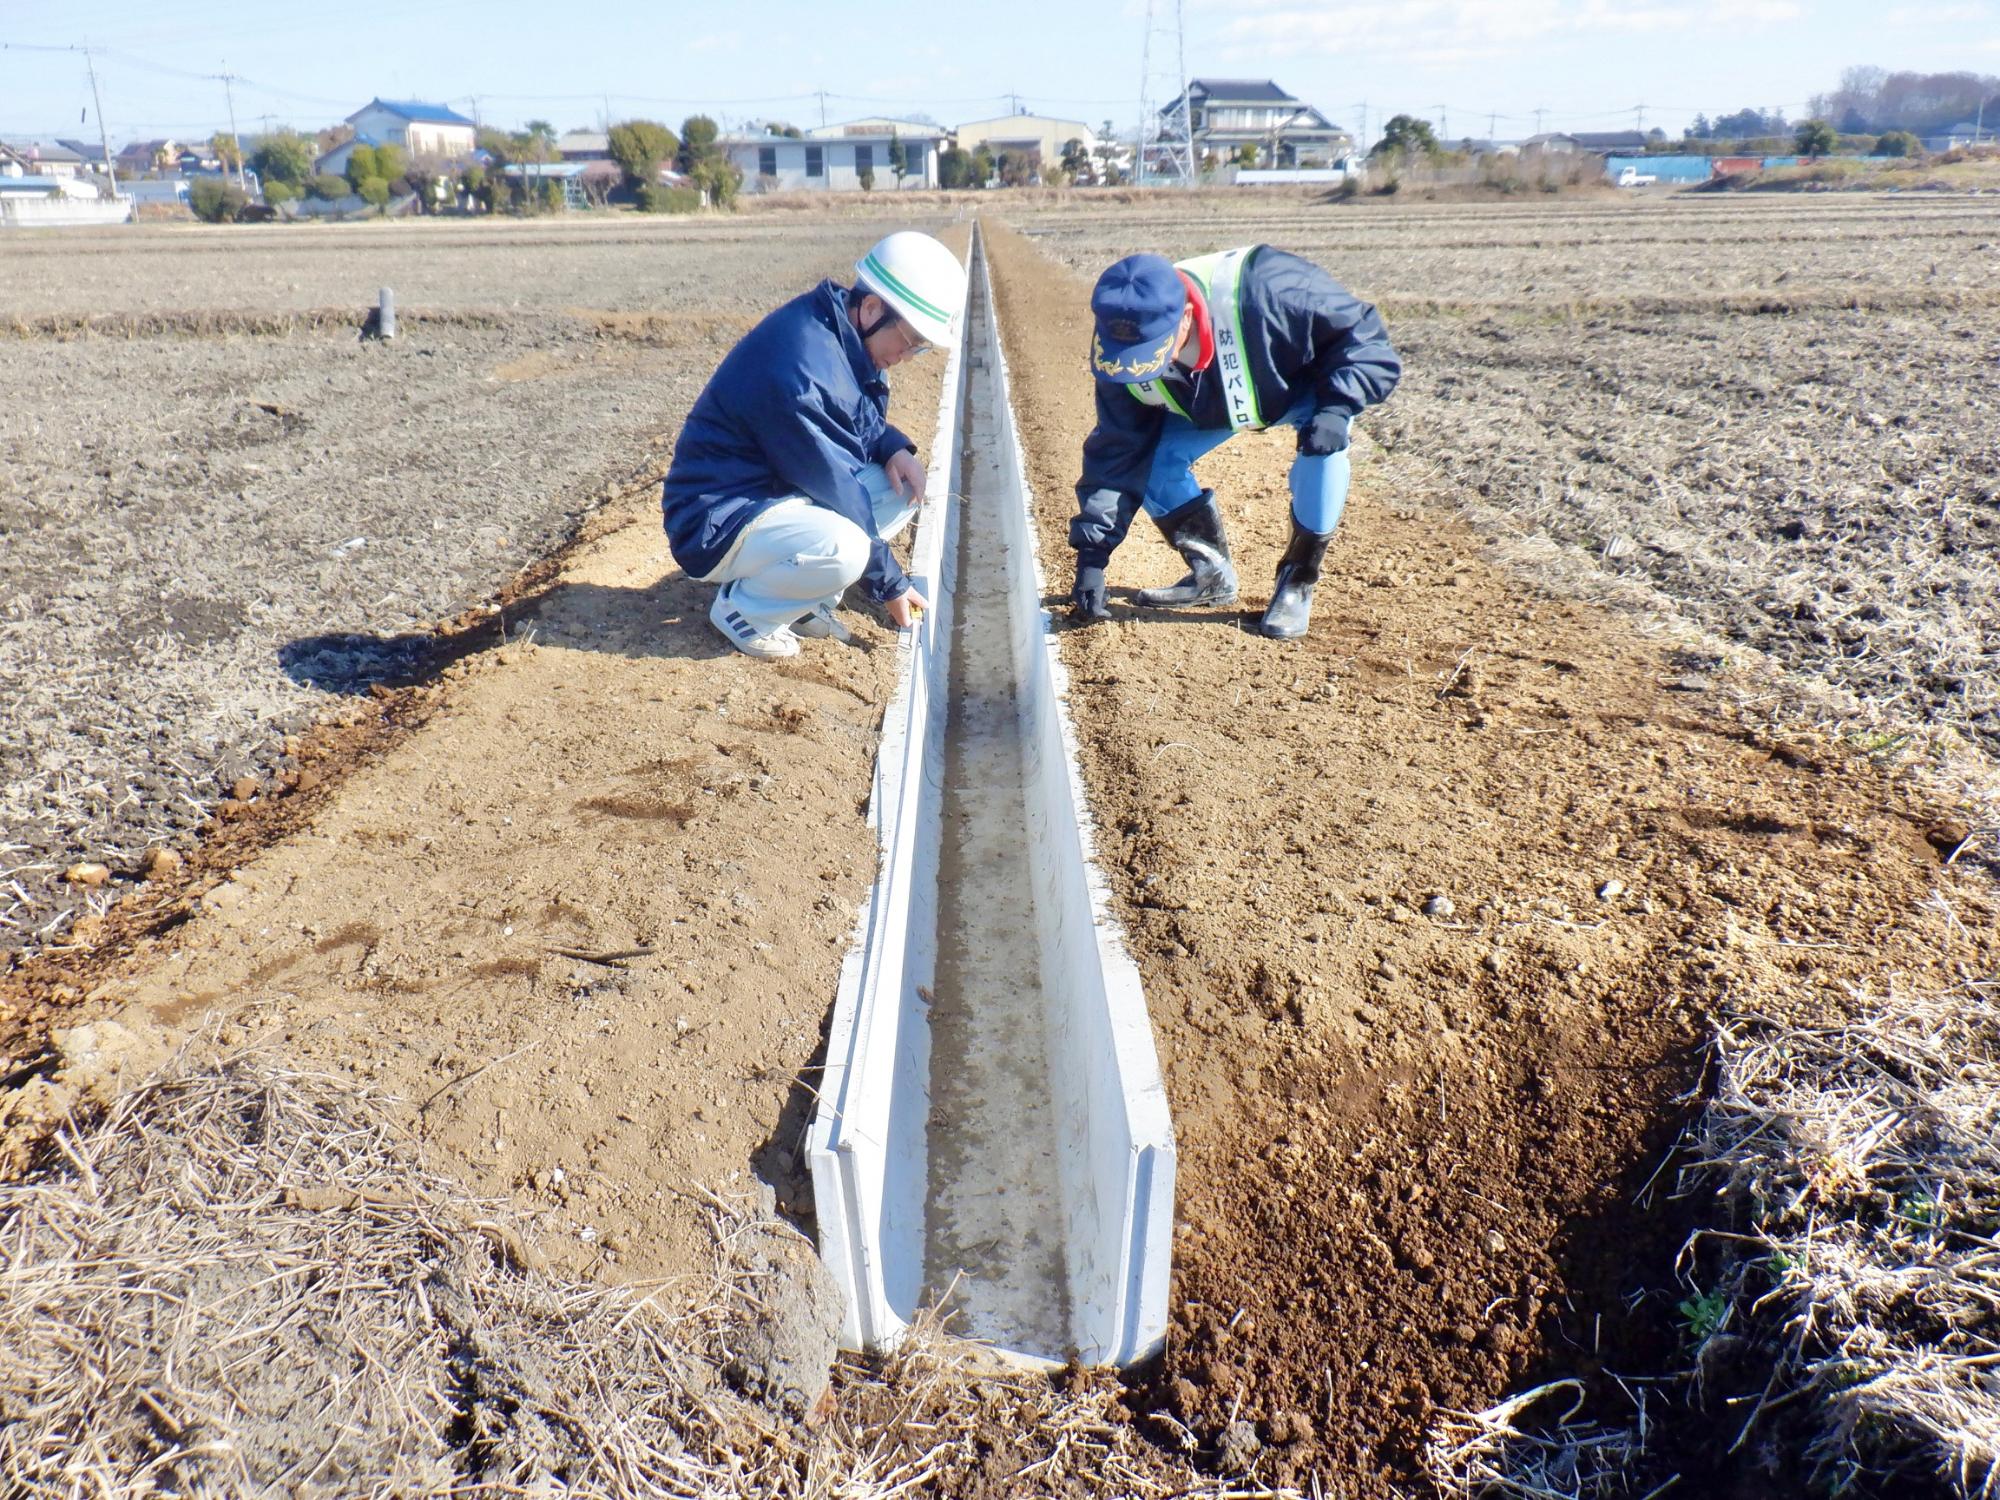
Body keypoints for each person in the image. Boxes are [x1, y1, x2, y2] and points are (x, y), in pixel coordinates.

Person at [1068, 245, 1400, 639]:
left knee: (1324, 449)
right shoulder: (1121, 345)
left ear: (1186, 317)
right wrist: (1093, 557)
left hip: (1293, 386)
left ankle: (1297, 581)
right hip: (1211, 401)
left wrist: (1336, 408)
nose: (1136, 366)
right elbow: (1118, 448)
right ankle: (1211, 575)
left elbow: (1365, 340)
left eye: (1152, 352)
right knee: (1152, 459)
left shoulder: (1274, 289)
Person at [662, 231, 964, 659]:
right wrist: (891, 583)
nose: (907, 355)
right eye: (911, 341)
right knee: (848, 548)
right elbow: (839, 488)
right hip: (715, 517)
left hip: (765, 493)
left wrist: (892, 445)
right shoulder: (802, 372)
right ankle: (746, 613)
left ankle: (799, 599)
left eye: (920, 348)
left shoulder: (838, 332)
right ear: (874, 308)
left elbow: (852, 414)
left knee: (901, 488)